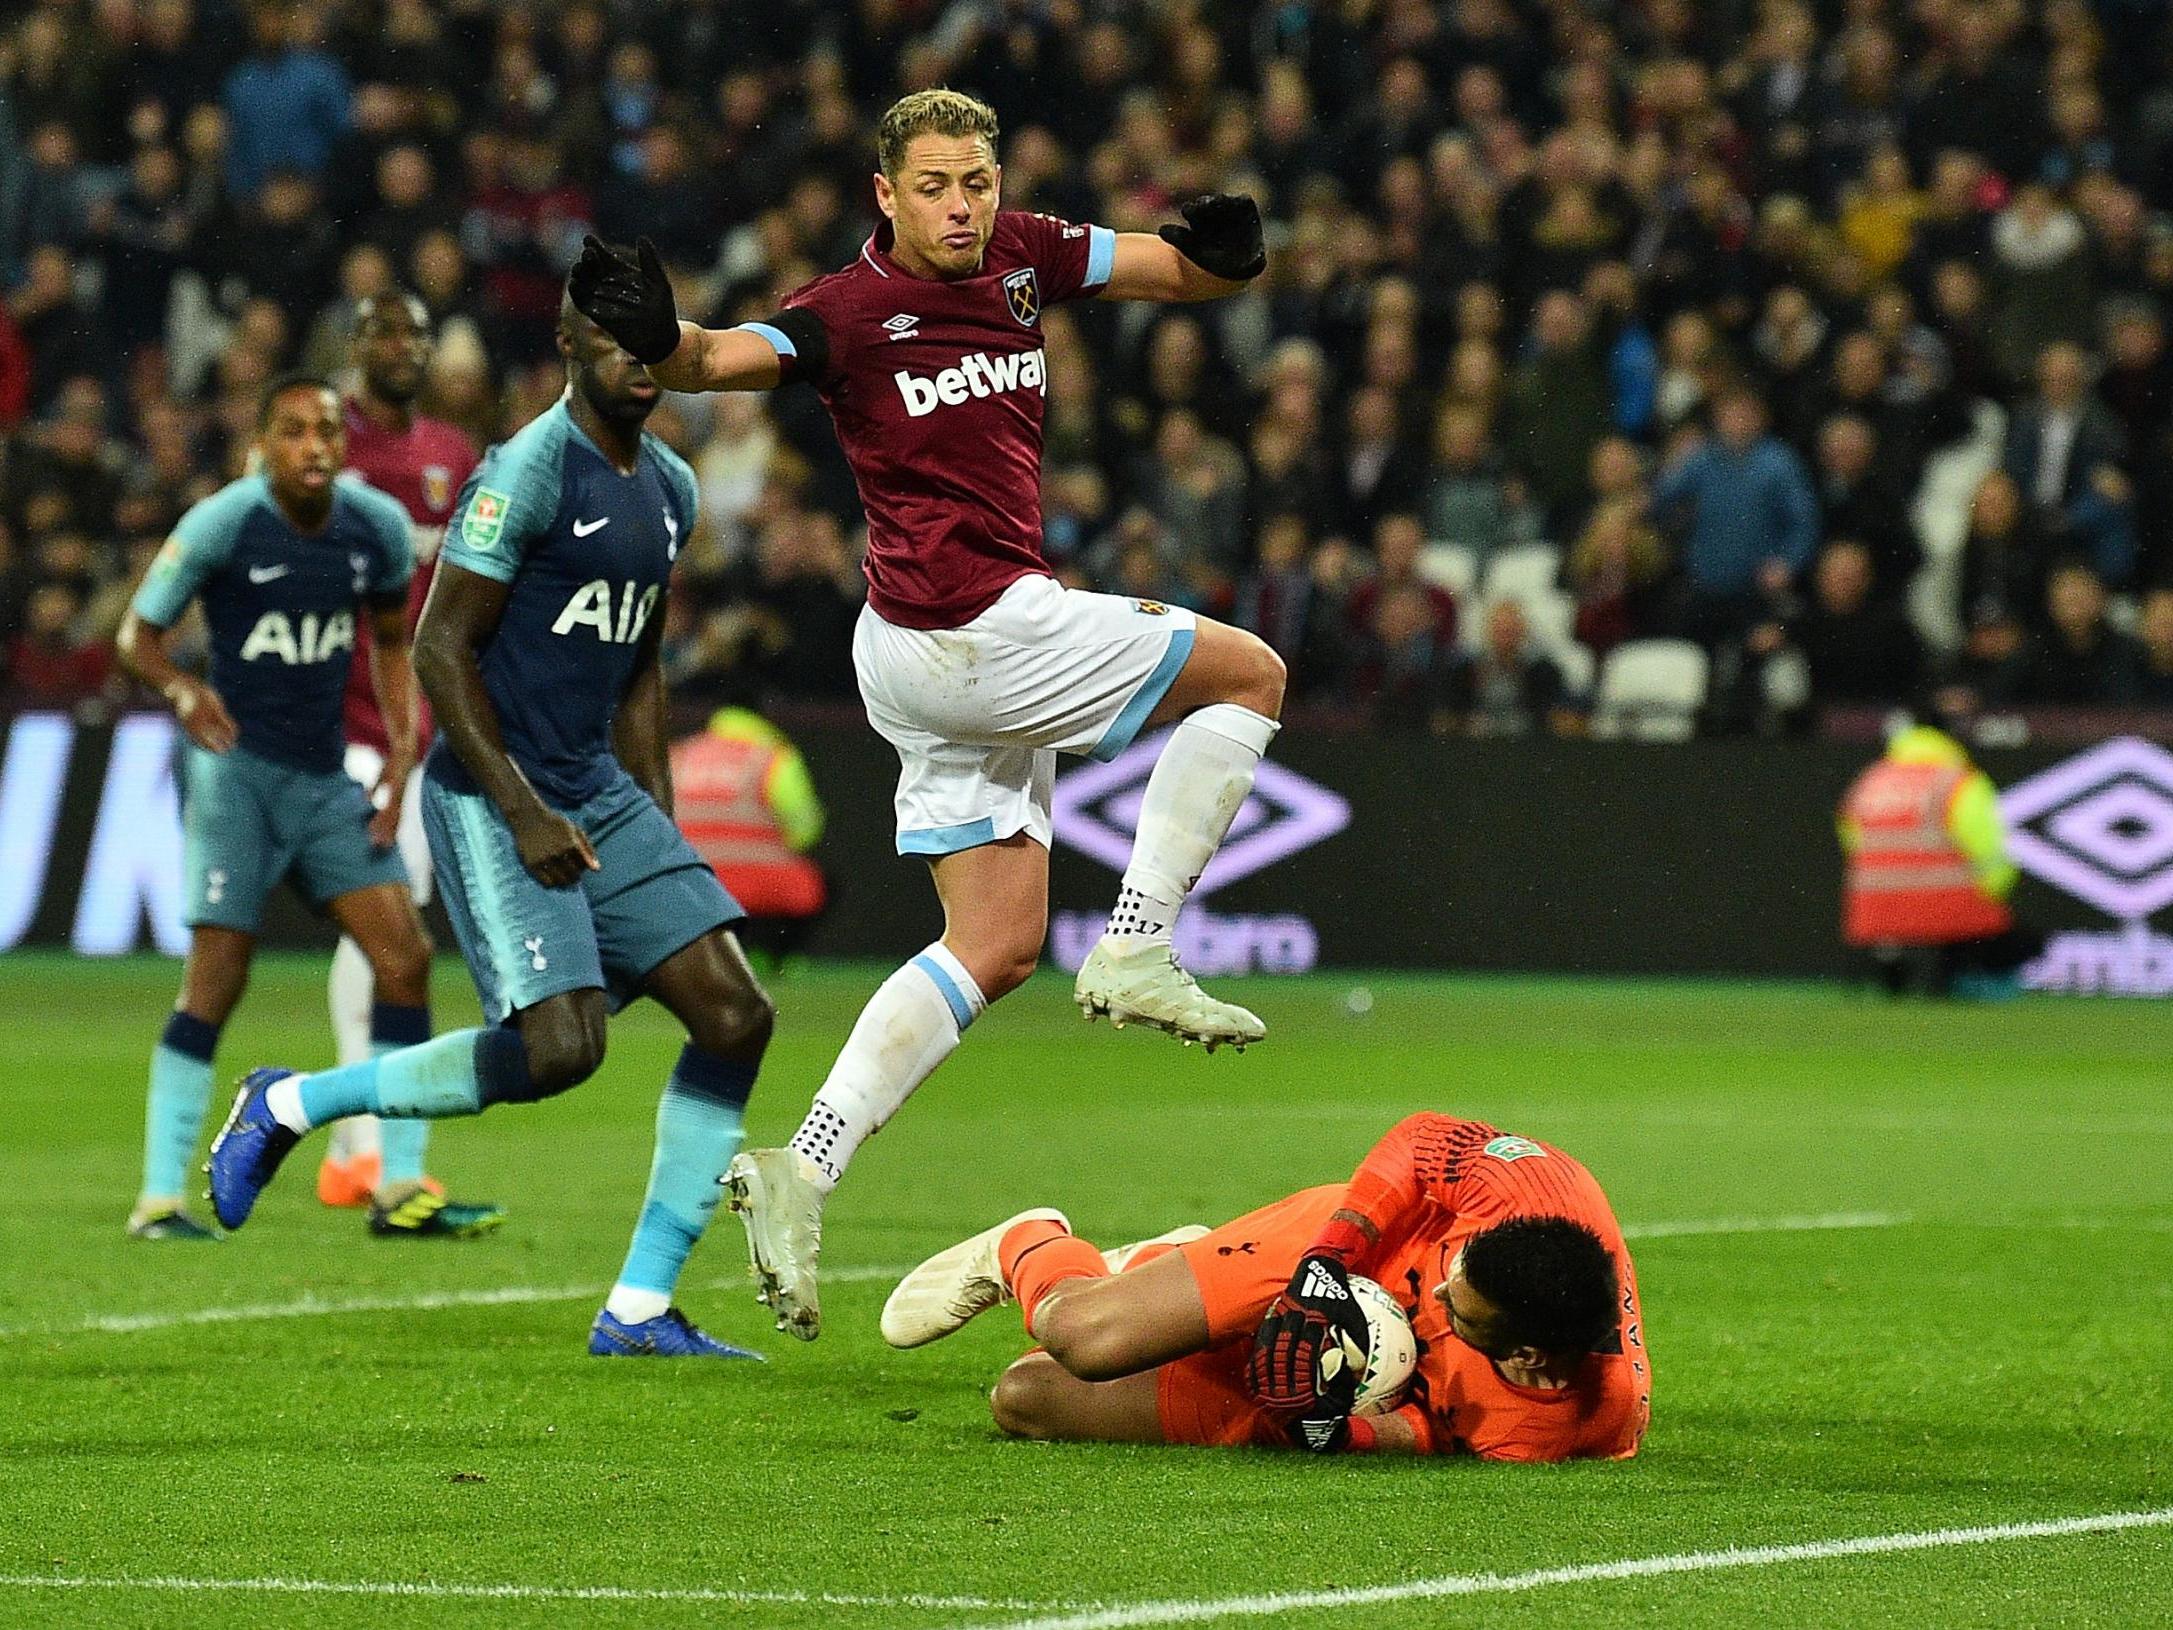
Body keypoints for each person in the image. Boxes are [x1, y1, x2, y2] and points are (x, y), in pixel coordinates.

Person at [567, 89, 1285, 1341]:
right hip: (974, 631)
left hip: (907, 647)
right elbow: (716, 360)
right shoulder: (845, 314)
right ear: (885, 197)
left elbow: (1174, 272)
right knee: (1251, 673)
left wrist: (1234, 258)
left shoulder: (1027, 253)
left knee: (995, 943)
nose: (962, 209)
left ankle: (805, 1165)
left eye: (978, 184)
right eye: (936, 188)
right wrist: (658, 337)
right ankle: (1136, 938)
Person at [204, 289, 777, 1360]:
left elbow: (639, 661)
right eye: (611, 340)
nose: (639, 361)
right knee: (561, 1051)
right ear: (567, 346)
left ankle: (640, 1309)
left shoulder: (671, 486)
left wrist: (656, 818)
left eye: (653, 340)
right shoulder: (522, 471)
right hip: (490, 786)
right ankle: (292, 1102)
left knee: (737, 1016)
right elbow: (435, 648)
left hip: (600, 786)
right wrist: (521, 808)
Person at [115, 374, 458, 1241]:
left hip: (323, 778)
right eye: (295, 432)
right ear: (263, 443)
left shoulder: (374, 527)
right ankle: (160, 1198)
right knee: (218, 979)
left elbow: (389, 642)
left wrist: (404, 741)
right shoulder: (223, 522)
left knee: (405, 957)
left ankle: (400, 1188)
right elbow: (136, 638)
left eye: (327, 433)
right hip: (236, 776)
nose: (315, 447)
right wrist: (184, 690)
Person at [881, 1111, 1650, 1462]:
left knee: (1024, 1399)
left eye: (1460, 1310)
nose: (1441, 1299)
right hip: (1344, 1253)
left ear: (1523, 1356)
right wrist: (1326, 1263)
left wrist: (1320, 1427)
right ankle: (1028, 1242)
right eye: (1453, 1277)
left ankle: (1172, 1266)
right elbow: (1418, 1140)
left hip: (1358, 1374)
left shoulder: (1557, 1425)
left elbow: (1430, 1432)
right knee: (1079, 1337)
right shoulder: (1532, 1192)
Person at [316, 290, 494, 1222]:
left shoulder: (449, 456)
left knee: (390, 928)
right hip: (338, 726)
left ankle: (353, 1144)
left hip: (421, 733)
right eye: (386, 331)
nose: (402, 348)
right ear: (356, 345)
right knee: (387, 934)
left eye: (416, 335)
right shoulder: (323, 446)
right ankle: (372, 1146)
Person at [1838, 720, 2042, 998]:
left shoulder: (1873, 779)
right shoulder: (1957, 781)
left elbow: (1852, 838)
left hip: (1875, 909)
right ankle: (1960, 978)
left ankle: (1891, 965)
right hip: (1948, 908)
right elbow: (1987, 849)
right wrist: (1991, 898)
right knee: (2024, 942)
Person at [671, 706, 828, 965]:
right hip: (761, 881)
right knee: (815, 885)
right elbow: (803, 827)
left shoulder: (680, 753)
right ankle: (776, 957)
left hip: (691, 880)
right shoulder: (773, 757)